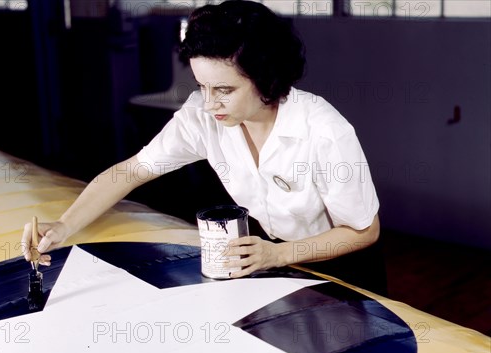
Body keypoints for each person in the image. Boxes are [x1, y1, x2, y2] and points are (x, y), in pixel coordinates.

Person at [22, 0, 387, 294]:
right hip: (271, 256)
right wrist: (63, 226)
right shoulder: (203, 114)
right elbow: (132, 170)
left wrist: (280, 253)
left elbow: (364, 231)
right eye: (202, 86)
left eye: (224, 90)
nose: (209, 103)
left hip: (341, 265)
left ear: (265, 78)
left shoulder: (324, 131)